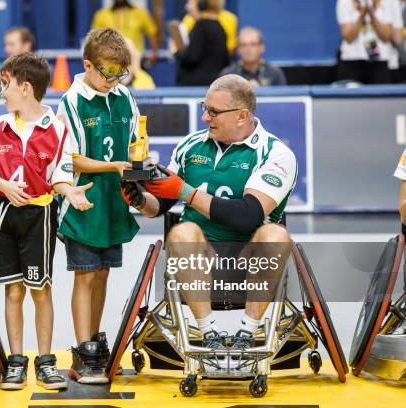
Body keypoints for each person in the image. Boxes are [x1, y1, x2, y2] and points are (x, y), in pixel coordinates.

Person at [121, 74, 295, 350]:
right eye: (205, 107)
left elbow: (248, 214)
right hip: (198, 258)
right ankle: (208, 333)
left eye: (214, 112)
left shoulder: (275, 153)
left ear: (242, 115)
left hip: (251, 261)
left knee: (275, 233)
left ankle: (248, 333)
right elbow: (162, 203)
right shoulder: (190, 146)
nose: (205, 117)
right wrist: (140, 201)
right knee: (182, 231)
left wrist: (186, 192)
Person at [0, 53, 93, 390]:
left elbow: (61, 175)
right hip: (2, 214)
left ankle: (44, 362)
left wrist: (70, 193)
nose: (2, 92)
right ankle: (16, 361)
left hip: (38, 216)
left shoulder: (57, 130)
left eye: (6, 85)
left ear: (25, 88)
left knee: (39, 289)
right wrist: (3, 185)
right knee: (13, 290)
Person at [57, 28, 140, 384]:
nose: (112, 80)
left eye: (119, 73)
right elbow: (71, 158)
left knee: (104, 272)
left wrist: (139, 163)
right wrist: (114, 166)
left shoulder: (125, 98)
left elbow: (136, 142)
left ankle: (96, 344)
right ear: (87, 65)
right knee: (85, 274)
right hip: (84, 201)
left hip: (114, 202)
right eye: (106, 72)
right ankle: (83, 350)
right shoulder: (71, 102)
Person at [336, 0, 394, 84]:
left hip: (379, 61)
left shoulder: (386, 2)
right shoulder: (345, 2)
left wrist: (371, 14)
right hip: (351, 60)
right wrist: (363, 13)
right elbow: (348, 37)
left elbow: (386, 36)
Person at [175, 0, 229, 86]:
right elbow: (226, 59)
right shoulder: (220, 27)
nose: (187, 7)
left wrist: (178, 51)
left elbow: (191, 57)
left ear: (201, 4)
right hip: (213, 85)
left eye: (190, 3)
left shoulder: (201, 26)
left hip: (195, 87)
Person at [91, 0, 159, 64]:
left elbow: (152, 33)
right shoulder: (101, 14)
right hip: (109, 60)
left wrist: (154, 53)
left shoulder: (140, 13)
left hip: (135, 60)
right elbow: (95, 38)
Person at [220, 27, 287, 87]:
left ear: (262, 47)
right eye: (243, 45)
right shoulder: (227, 76)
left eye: (253, 44)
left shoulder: (275, 73)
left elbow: (283, 99)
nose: (248, 49)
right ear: (238, 49)